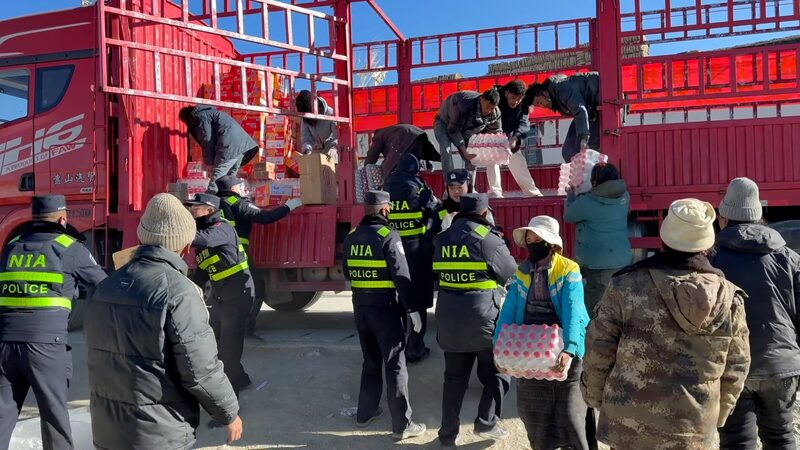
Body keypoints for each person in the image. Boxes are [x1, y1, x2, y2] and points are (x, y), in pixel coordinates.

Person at [582, 198, 751, 450]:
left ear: (664, 238)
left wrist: (594, 397)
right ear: (707, 245)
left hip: (629, 426)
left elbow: (599, 348)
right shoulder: (728, 297)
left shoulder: (625, 286)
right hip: (693, 428)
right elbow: (737, 364)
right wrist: (717, 415)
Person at [84, 193, 242, 449]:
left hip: (107, 431)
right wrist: (229, 412)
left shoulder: (106, 287)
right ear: (186, 246)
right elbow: (200, 370)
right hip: (160, 435)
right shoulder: (179, 292)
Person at [0, 195, 107, 450]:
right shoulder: (70, 248)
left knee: (2, 416)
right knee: (54, 417)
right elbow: (104, 286)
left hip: (5, 343)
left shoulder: (12, 246)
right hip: (46, 346)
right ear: (63, 218)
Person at [712, 178, 800, 450]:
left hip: (731, 364)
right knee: (782, 435)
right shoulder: (787, 256)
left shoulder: (712, 258)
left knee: (738, 441)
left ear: (723, 217)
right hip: (781, 364)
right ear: (759, 216)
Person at [495, 215, 590, 450]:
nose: (532, 241)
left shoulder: (569, 269)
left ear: (551, 243)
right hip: (531, 352)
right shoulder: (522, 272)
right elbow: (509, 311)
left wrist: (569, 349)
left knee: (571, 414)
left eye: (538, 238)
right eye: (530, 237)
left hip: (564, 350)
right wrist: (498, 347)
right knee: (533, 414)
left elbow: (574, 310)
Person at [433, 193, 518, 448]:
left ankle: (447, 435)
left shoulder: (441, 239)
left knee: (454, 378)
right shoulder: (489, 241)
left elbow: (436, 274)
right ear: (484, 213)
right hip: (483, 320)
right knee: (499, 371)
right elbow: (511, 275)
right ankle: (486, 421)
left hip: (449, 319)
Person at [342, 190, 426, 442]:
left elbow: (347, 272)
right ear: (385, 209)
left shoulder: (352, 236)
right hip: (385, 308)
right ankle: (402, 424)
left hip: (360, 306)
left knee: (370, 360)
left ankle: (365, 414)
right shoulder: (388, 236)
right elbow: (402, 277)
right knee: (395, 364)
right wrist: (413, 309)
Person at [185, 193, 254, 404]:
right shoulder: (203, 240)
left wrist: (175, 231)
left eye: (194, 208)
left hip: (238, 295)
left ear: (209, 210)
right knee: (215, 344)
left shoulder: (220, 228)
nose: (190, 212)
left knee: (228, 353)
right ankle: (241, 379)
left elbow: (201, 238)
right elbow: (202, 274)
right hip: (220, 297)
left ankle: (229, 405)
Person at [215, 175, 303, 334]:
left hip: (218, 252)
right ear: (232, 189)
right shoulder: (236, 202)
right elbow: (264, 217)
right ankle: (244, 327)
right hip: (237, 251)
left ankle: (222, 325)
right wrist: (289, 207)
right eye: (240, 186)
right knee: (254, 288)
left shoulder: (214, 203)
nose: (243, 188)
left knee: (226, 290)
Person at [383, 154, 441, 363]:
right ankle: (415, 347)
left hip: (392, 251)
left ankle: (397, 348)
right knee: (419, 300)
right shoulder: (419, 188)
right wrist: (429, 235)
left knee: (398, 299)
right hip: (417, 252)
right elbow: (437, 212)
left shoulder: (385, 189)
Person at [563, 163, 632, 315]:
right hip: (622, 259)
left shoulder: (586, 202)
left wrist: (571, 195)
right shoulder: (625, 196)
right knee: (619, 307)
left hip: (597, 264)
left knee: (597, 311)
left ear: (595, 181)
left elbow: (569, 216)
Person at [179, 105, 260, 194]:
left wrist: (208, 162)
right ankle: (230, 203)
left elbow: (207, 140)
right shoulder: (210, 113)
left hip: (230, 146)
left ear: (187, 118)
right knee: (228, 181)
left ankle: (209, 203)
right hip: (242, 146)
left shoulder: (201, 117)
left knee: (217, 179)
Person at [433, 89, 502, 188]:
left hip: (466, 130)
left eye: (492, 108)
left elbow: (496, 132)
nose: (489, 111)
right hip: (444, 123)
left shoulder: (495, 112)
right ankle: (450, 186)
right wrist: (464, 151)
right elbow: (453, 130)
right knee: (446, 149)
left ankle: (470, 189)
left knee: (472, 159)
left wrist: (501, 148)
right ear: (481, 99)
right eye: (487, 107)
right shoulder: (464, 105)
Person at [486, 80, 542, 198]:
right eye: (513, 98)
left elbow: (524, 124)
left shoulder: (524, 104)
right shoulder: (494, 98)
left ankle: (532, 193)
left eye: (518, 99)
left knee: (519, 163)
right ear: (506, 93)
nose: (515, 102)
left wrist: (515, 137)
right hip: (493, 136)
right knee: (493, 161)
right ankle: (495, 191)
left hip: (511, 138)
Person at [527, 72, 600, 163]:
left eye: (540, 102)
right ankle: (583, 174)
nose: (542, 106)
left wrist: (583, 138)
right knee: (568, 151)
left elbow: (579, 110)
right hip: (589, 112)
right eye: (538, 106)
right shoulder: (556, 99)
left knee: (589, 146)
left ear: (545, 93)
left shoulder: (562, 89)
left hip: (600, 101)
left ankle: (597, 172)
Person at [363, 124, 441, 178]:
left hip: (404, 139)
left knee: (387, 170)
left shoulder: (379, 135)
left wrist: (366, 170)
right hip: (420, 135)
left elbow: (372, 155)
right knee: (413, 166)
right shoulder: (390, 132)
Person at [436, 169, 495, 233]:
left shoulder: (480, 208)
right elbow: (431, 237)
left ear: (468, 186)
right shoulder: (441, 211)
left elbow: (490, 234)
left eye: (459, 187)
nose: (456, 191)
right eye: (452, 188)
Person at [295, 90, 339, 159]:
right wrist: (307, 150)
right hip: (317, 154)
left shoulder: (331, 114)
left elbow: (339, 136)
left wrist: (334, 148)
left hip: (332, 152)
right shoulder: (305, 120)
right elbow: (306, 139)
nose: (310, 121)